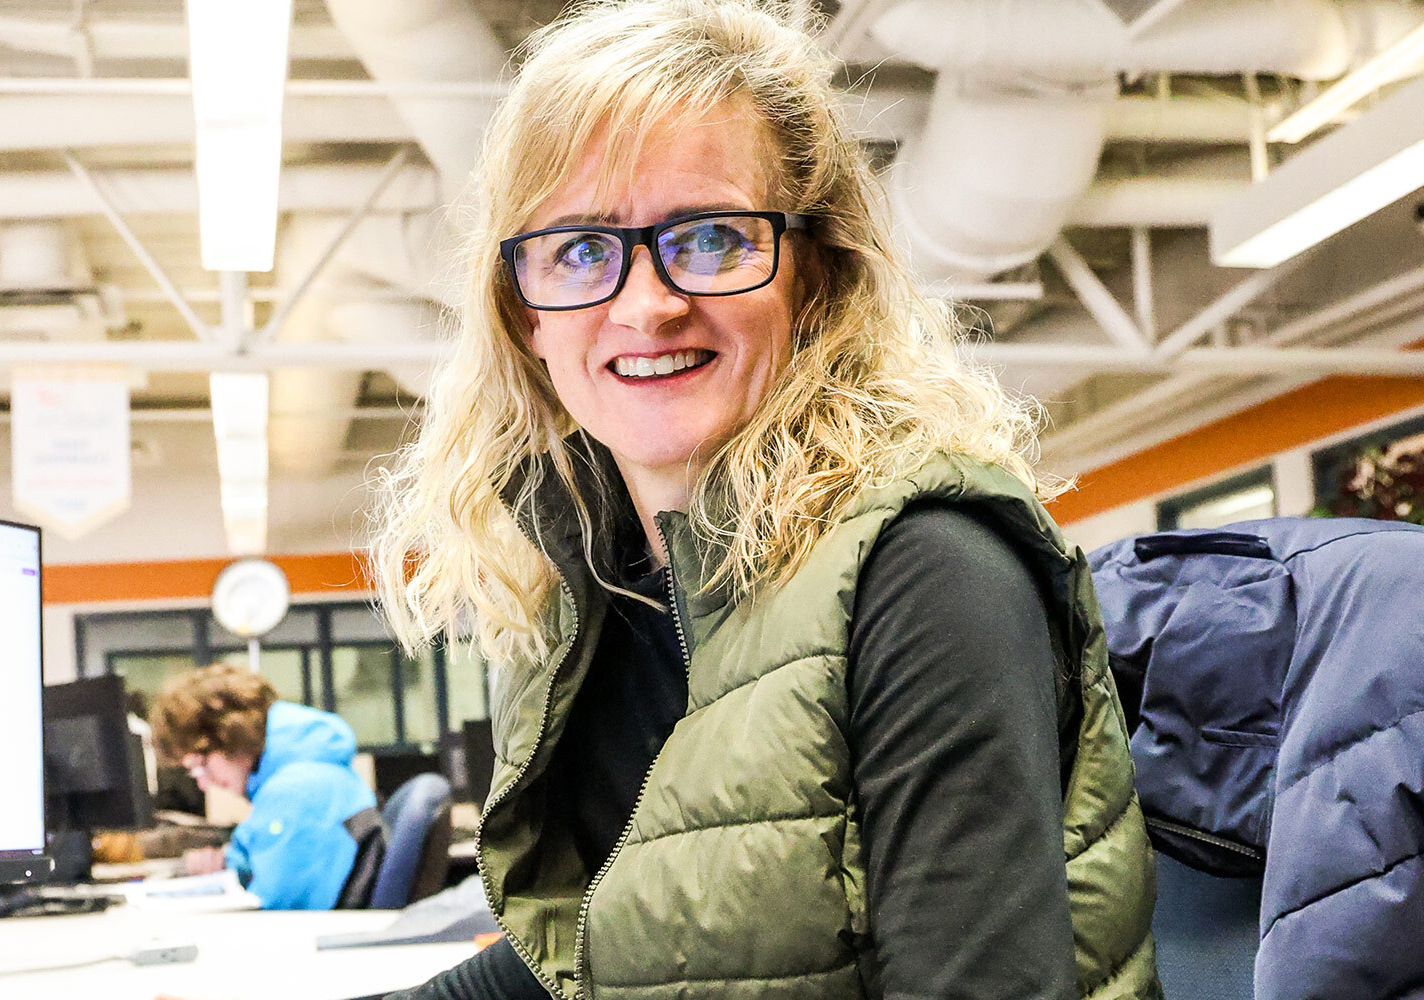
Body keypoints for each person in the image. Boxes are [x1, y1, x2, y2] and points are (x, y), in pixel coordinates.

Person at [369, 1, 1159, 997]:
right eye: (578, 250)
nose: (645, 301)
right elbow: (578, 967)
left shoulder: (925, 574)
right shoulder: (595, 589)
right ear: (524, 312)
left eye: (707, 237)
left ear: (814, 272)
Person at [150, 663, 382, 910]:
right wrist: (228, 862)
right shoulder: (302, 773)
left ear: (231, 733)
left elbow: (276, 909)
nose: (205, 783)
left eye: (203, 764)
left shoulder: (294, 792)